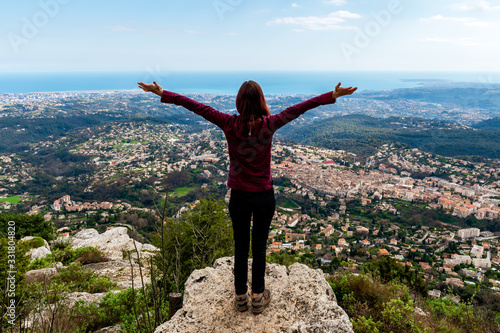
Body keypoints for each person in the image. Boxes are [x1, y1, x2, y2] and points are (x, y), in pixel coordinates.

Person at [138, 79, 357, 314]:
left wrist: (164, 93)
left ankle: (240, 296)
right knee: (259, 247)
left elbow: (197, 107)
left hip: (239, 196)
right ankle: (258, 297)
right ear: (261, 101)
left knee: (241, 245)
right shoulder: (269, 125)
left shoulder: (229, 123)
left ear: (239, 103)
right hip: (264, 196)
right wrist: (330, 96)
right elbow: (299, 109)